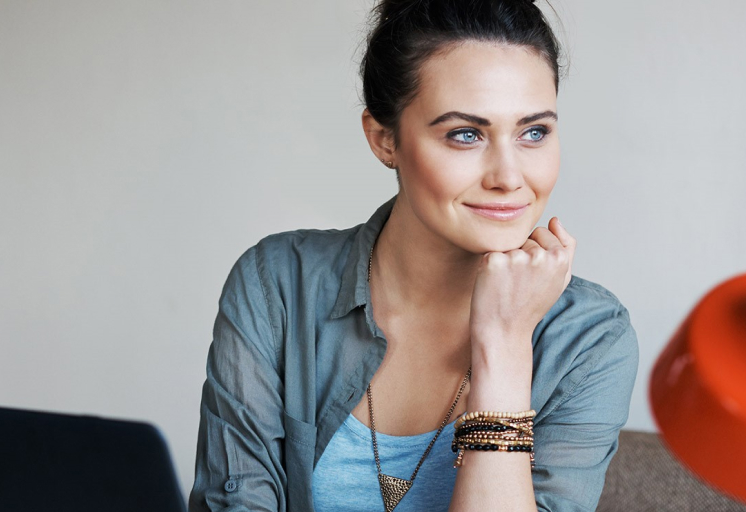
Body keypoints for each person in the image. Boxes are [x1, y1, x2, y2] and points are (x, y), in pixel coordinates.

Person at [189, 0, 638, 511]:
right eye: (465, 134)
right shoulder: (278, 285)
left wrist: (505, 345)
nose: (510, 177)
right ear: (384, 140)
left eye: (534, 132)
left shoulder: (590, 338)